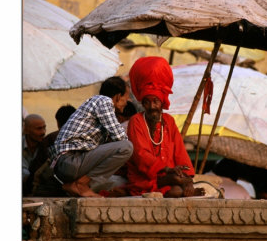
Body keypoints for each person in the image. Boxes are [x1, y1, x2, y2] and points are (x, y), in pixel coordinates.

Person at [126, 56, 205, 198]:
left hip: (172, 174)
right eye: (147, 102)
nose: (152, 107)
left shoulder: (169, 121)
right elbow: (141, 156)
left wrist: (186, 177)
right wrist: (166, 169)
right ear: (142, 104)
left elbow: (180, 153)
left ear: (162, 102)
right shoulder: (136, 121)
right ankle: (178, 182)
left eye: (155, 101)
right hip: (144, 178)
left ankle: (180, 182)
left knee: (178, 186)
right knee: (175, 189)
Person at [51, 76, 133, 197]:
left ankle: (78, 184)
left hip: (68, 163)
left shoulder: (96, 103)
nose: (128, 101)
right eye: (127, 96)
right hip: (70, 161)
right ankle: (81, 184)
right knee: (127, 147)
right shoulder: (104, 101)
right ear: (117, 96)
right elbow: (121, 138)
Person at [32, 104, 76, 197]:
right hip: (74, 186)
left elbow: (36, 167)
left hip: (50, 188)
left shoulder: (50, 138)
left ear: (58, 122)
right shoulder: (83, 137)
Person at [22, 114, 48, 195]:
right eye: (39, 129)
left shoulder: (46, 145)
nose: (43, 132)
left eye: (44, 128)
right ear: (26, 130)